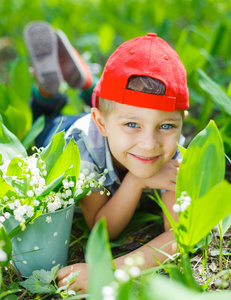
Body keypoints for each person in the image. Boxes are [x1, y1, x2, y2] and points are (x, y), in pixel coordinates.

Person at [24, 22, 189, 294]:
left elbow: (180, 235)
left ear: (181, 123)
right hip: (64, 131)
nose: (149, 145)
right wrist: (135, 181)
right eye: (133, 125)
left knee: (117, 107)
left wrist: (112, 270)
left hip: (108, 120)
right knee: (42, 122)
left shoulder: (171, 150)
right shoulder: (80, 149)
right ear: (100, 123)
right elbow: (102, 228)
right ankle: (46, 91)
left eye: (166, 126)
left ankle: (87, 83)